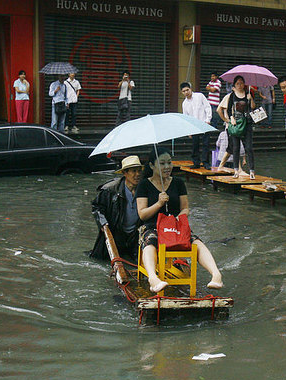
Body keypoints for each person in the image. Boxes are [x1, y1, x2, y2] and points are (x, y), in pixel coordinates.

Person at [136, 146, 223, 293]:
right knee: (150, 242)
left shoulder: (178, 183)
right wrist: (159, 204)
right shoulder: (144, 185)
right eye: (162, 163)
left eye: (169, 162)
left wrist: (180, 217)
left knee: (196, 241)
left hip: (175, 225)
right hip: (152, 226)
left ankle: (216, 275)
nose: (167, 167)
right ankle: (153, 278)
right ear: (151, 166)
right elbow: (142, 214)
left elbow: (185, 208)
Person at [90, 155, 143, 282]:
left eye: (139, 170)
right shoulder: (110, 190)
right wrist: (103, 224)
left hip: (134, 236)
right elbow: (96, 207)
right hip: (116, 233)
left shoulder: (144, 189)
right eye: (133, 171)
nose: (137, 174)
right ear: (125, 173)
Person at [226, 76, 256, 179]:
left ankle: (252, 170)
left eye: (242, 83)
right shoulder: (232, 96)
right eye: (238, 83)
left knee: (249, 147)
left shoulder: (248, 94)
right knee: (236, 148)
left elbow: (253, 107)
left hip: (247, 123)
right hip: (236, 124)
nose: (240, 85)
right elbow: (229, 109)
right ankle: (236, 170)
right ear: (234, 85)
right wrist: (231, 118)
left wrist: (250, 98)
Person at [181, 81, 212, 169]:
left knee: (206, 144)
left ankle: (206, 163)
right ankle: (196, 162)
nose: (186, 92)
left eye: (187, 90)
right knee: (195, 145)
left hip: (204, 123)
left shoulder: (199, 96)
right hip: (194, 126)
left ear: (190, 89)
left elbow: (207, 107)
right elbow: (186, 117)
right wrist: (188, 131)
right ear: (182, 92)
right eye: (184, 91)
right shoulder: (184, 103)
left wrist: (208, 119)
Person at [216, 91, 248, 175]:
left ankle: (221, 166)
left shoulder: (244, 97)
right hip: (231, 127)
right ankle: (239, 169)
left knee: (231, 148)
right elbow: (219, 109)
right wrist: (227, 120)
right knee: (234, 147)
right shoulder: (229, 96)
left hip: (240, 127)